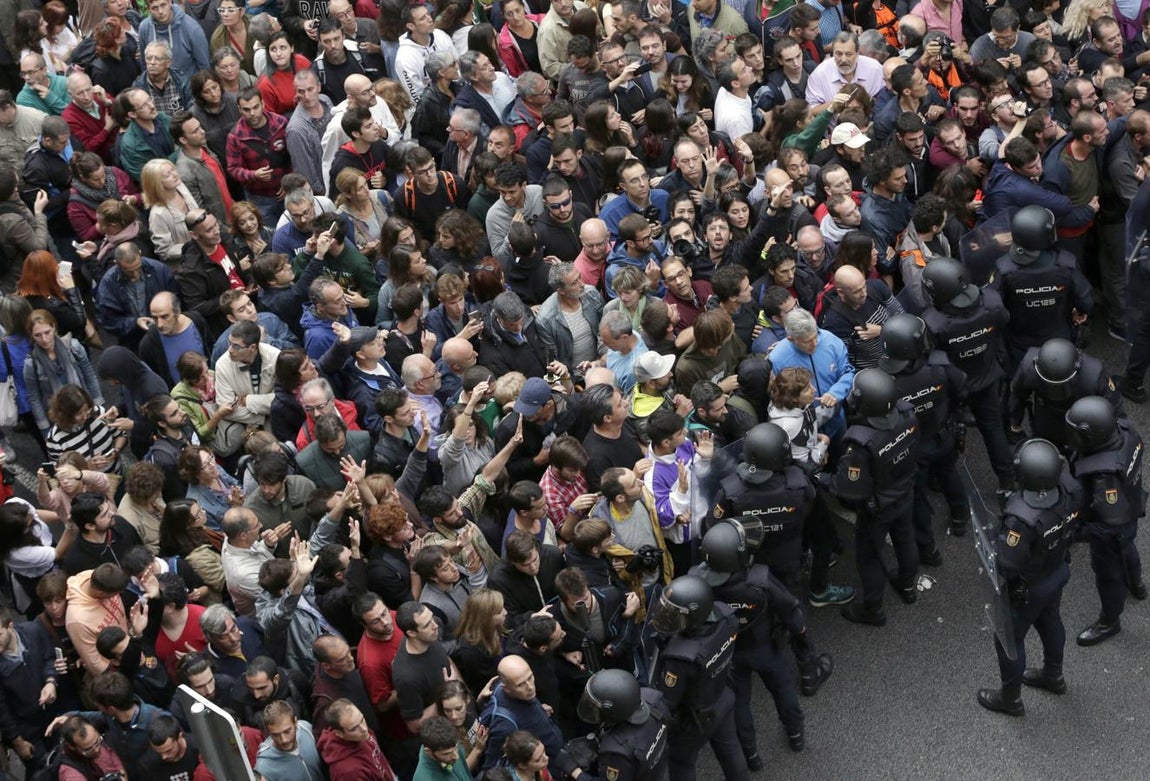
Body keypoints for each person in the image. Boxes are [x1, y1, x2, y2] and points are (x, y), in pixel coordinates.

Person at [691, 520, 833, 767]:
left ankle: (751, 756)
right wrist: (800, 635)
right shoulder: (759, 580)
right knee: (783, 691)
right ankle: (796, 736)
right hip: (765, 648)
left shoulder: (698, 584)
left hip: (730, 653)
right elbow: (790, 610)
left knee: (741, 705)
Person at [976, 439, 1080, 716]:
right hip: (1057, 570)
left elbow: (1008, 565)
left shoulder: (1021, 519)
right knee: (1050, 620)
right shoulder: (1070, 489)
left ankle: (1010, 699)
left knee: (1009, 640)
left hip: (1029, 587)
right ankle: (1053, 676)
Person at [833, 368, 921, 625]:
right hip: (905, 492)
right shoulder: (908, 415)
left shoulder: (859, 442)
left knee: (870, 557)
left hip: (877, 508)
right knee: (906, 539)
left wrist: (823, 479)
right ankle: (907, 587)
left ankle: (872, 609)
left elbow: (849, 489)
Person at [921, 258, 1015, 498]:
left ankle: (943, 480)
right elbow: (1004, 322)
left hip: (953, 387)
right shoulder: (991, 302)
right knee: (994, 431)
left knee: (946, 432)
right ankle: (1007, 481)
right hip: (986, 378)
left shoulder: (934, 323)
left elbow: (930, 356)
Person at [879, 313, 971, 554]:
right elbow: (961, 389)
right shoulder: (939, 366)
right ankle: (960, 517)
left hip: (913, 447)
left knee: (918, 496)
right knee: (950, 473)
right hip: (943, 434)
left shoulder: (887, 383)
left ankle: (928, 547)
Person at [645, 575, 748, 781]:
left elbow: (668, 700)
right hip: (723, 696)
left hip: (695, 719)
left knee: (681, 762)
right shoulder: (726, 617)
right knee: (730, 750)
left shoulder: (681, 656)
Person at [1065, 396, 1147, 646]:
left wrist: (1074, 534)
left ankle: (1110, 621)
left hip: (1114, 523)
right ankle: (1137, 584)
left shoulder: (1104, 475)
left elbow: (1107, 527)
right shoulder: (1125, 430)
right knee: (1128, 547)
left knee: (1108, 574)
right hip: (1131, 506)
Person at [988, 205, 1093, 370]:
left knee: (1020, 385)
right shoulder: (1066, 264)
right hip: (1060, 340)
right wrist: (1078, 312)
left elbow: (992, 306)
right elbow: (1086, 301)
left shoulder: (1005, 268)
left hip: (1020, 343)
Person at [317, 698, 398, 780]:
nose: (364, 729)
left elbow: (379, 756)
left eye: (362, 719)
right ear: (339, 733)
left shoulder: (360, 733)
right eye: (354, 729)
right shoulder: (348, 772)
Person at [256, 699, 326, 781]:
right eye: (275, 735)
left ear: (295, 722)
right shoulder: (264, 766)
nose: (284, 740)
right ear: (268, 732)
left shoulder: (306, 729)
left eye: (287, 731)